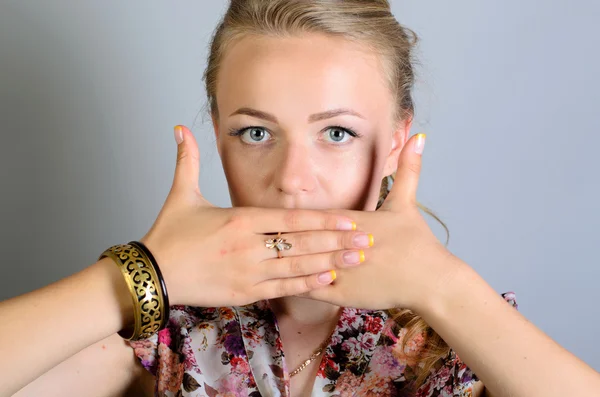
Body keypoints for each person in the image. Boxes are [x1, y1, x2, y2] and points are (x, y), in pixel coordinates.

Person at [2, 0, 599, 396]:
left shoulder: (452, 339)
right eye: (255, 132)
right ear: (216, 133)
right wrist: (140, 274)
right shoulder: (166, 330)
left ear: (395, 141)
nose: (292, 179)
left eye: (336, 133)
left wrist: (442, 288)